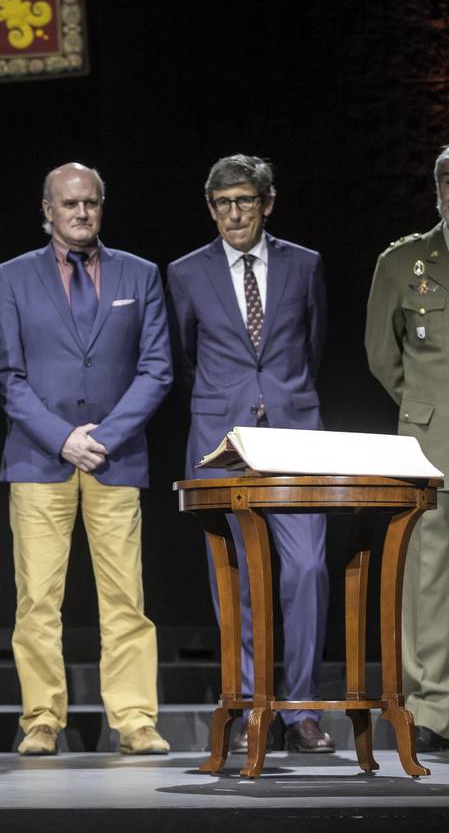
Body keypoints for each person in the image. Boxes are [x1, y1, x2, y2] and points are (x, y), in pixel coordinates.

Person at [0, 162, 172, 757]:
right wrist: (63, 437)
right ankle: (41, 719)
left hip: (115, 459)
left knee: (125, 597)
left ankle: (136, 719)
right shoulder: (13, 277)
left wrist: (106, 436)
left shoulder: (139, 274)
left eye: (91, 202)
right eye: (69, 204)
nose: (81, 213)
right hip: (41, 459)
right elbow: (6, 376)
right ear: (47, 210)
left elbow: (157, 368)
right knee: (38, 598)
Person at [167, 154, 333, 754]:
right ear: (210, 209)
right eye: (221, 204)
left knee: (308, 570)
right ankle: (245, 705)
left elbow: (314, 345)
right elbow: (186, 356)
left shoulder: (304, 264)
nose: (233, 214)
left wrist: (278, 399)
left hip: (295, 437)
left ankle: (302, 710)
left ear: (267, 203)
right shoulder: (185, 272)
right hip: (222, 441)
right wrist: (230, 401)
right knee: (233, 577)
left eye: (244, 201)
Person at [364, 142, 449, 753]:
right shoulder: (405, 261)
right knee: (427, 582)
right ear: (435, 187)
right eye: (448, 181)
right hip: (432, 443)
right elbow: (384, 354)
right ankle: (428, 713)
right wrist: (426, 406)